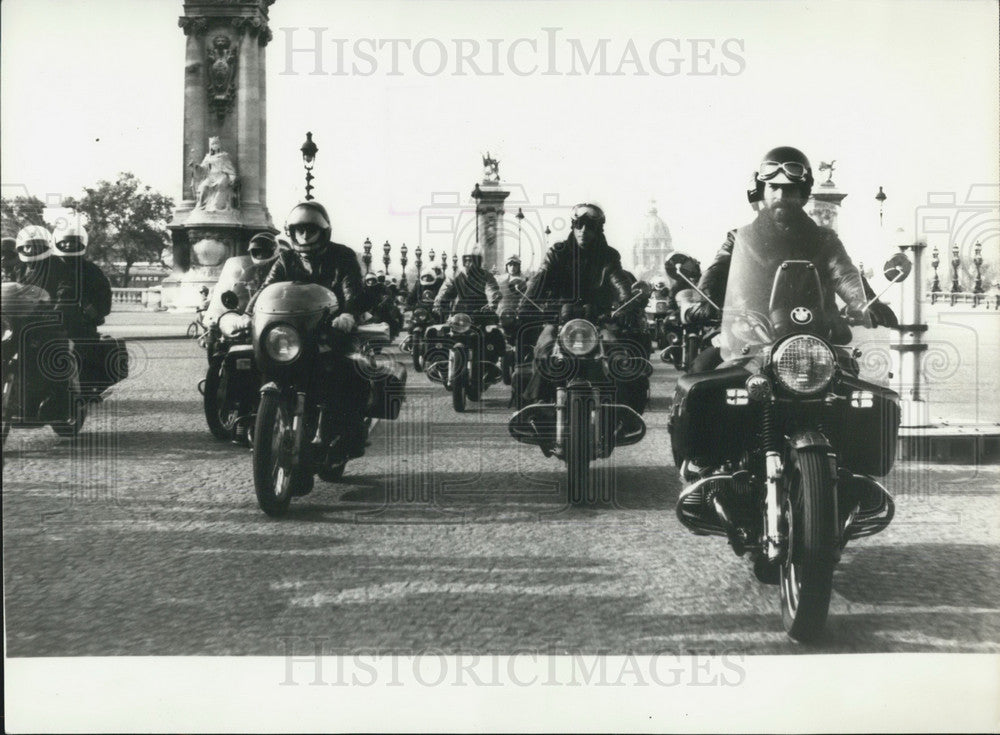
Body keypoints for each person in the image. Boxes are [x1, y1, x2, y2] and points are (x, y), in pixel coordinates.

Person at [686, 146, 885, 373]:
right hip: (749, 339)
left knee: (851, 384)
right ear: (761, 190)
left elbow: (844, 273)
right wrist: (704, 299)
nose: (780, 196)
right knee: (700, 374)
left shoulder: (824, 240)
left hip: (815, 338)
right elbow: (717, 271)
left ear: (802, 193)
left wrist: (865, 302)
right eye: (773, 187)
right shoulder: (739, 239)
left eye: (789, 189)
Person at [247, 201, 368, 465]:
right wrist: (246, 315)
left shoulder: (342, 256)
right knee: (253, 360)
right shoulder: (286, 258)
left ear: (323, 231)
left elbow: (352, 290)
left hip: (329, 331)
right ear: (291, 232)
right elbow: (267, 289)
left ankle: (348, 436)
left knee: (348, 371)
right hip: (293, 332)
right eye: (299, 230)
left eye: (310, 229)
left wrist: (348, 313)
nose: (304, 235)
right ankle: (254, 422)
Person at [515, 203, 646, 410]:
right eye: (579, 224)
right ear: (573, 226)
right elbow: (540, 280)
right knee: (545, 348)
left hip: (598, 320)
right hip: (559, 319)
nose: (583, 230)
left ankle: (624, 410)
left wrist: (627, 304)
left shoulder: (608, 256)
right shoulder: (557, 253)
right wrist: (525, 305)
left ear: (598, 229)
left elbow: (618, 281)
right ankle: (537, 405)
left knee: (615, 353)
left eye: (590, 226)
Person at [50, 221, 112, 339]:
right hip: (48, 322)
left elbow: (104, 301)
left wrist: (91, 310)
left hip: (81, 325)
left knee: (87, 352)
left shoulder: (92, 270)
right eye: (64, 242)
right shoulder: (47, 266)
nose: (68, 245)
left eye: (73, 242)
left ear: (81, 242)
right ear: (56, 241)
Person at [432, 246, 501, 320]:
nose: (469, 263)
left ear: (478, 261)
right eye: (467, 260)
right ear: (464, 261)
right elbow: (445, 289)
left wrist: (492, 304)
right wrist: (437, 304)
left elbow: (492, 289)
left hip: (481, 312)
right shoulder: (455, 275)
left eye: (473, 260)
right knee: (447, 328)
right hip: (458, 313)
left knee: (493, 329)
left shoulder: (486, 275)